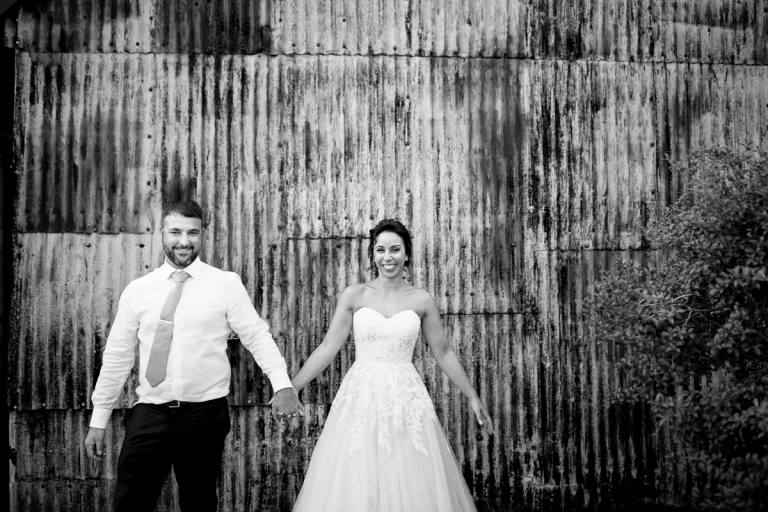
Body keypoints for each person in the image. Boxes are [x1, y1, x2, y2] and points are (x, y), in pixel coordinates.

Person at [83, 200, 302, 512]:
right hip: (149, 414)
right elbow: (118, 355)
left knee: (198, 503)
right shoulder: (138, 291)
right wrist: (99, 418)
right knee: (130, 502)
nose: (183, 241)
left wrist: (282, 385)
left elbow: (256, 335)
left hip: (203, 415)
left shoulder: (225, 284)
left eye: (192, 233)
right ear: (162, 233)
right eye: (175, 231)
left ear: (203, 235)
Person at [291, 218, 493, 512]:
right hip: (361, 394)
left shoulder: (421, 299)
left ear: (406, 254)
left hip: (405, 399)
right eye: (381, 250)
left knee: (405, 473)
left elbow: (444, 352)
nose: (388, 257)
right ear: (372, 254)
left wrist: (473, 396)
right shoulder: (355, 295)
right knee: (358, 473)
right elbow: (327, 348)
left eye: (395, 249)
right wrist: (291, 387)